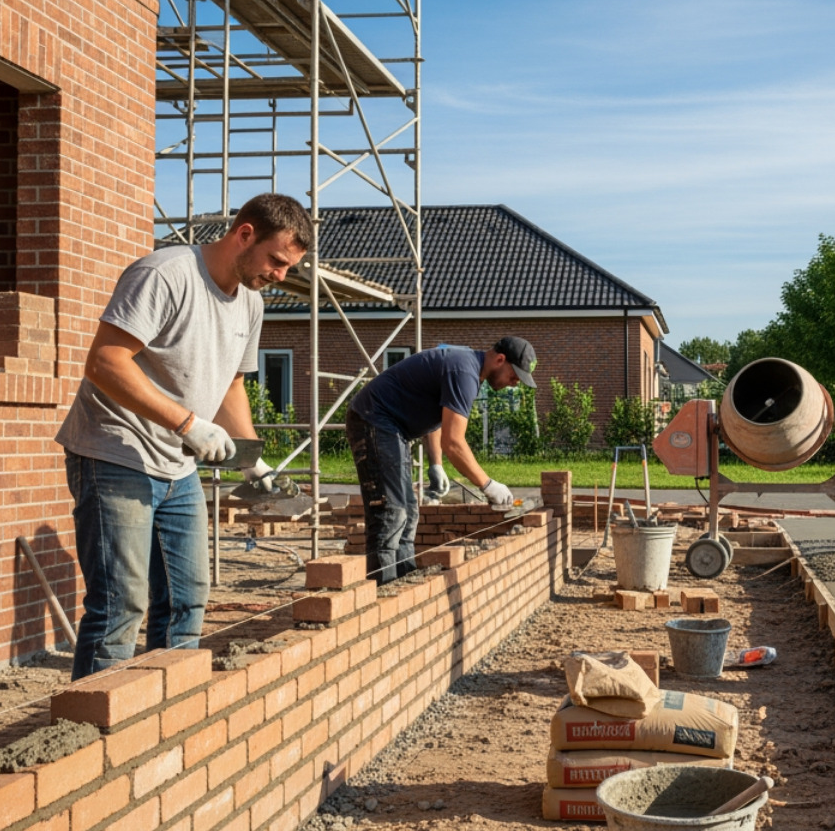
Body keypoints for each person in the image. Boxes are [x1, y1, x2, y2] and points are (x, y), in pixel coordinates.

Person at [56, 194, 312, 677]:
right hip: (115, 453)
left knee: (187, 598)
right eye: (277, 261)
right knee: (120, 604)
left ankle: (169, 705)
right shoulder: (165, 275)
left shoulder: (250, 303)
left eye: (288, 267)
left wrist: (250, 459)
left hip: (177, 467)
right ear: (244, 234)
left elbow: (231, 386)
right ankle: (90, 718)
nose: (281, 275)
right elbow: (105, 362)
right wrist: (188, 424)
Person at [345, 338, 535, 583]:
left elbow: (436, 417)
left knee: (408, 512)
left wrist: (436, 464)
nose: (515, 383)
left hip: (392, 428)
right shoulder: (464, 372)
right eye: (515, 375)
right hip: (373, 418)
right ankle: (384, 590)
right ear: (500, 359)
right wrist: (488, 485)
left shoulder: (467, 369)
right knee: (390, 512)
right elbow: (454, 443)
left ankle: (404, 584)